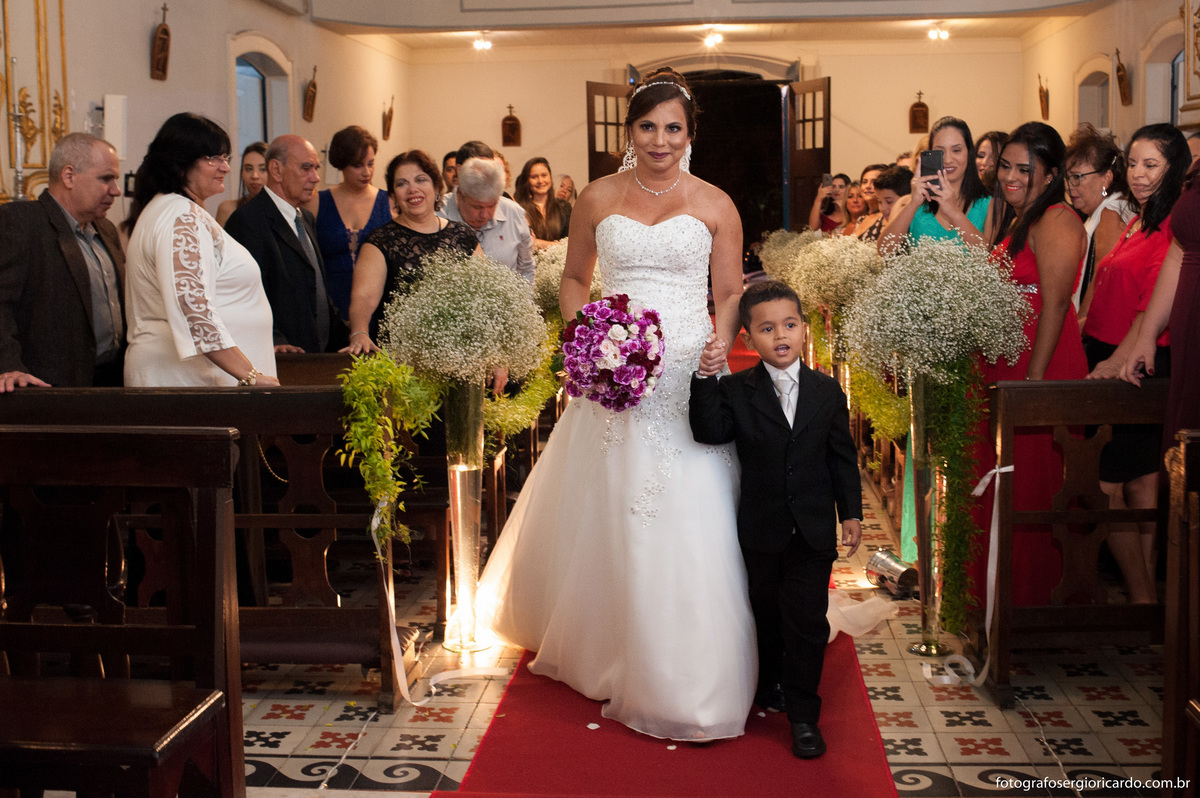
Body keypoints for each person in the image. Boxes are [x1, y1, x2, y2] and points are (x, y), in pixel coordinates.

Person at [475, 67, 757, 742]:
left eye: (673, 129)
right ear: (628, 132)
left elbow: (727, 291)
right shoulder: (598, 198)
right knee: (610, 497)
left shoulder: (716, 202)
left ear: (690, 135)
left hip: (687, 366)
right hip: (614, 368)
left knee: (690, 501)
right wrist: (588, 337)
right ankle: (601, 646)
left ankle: (689, 659)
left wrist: (719, 343)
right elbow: (574, 279)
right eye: (648, 127)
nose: (660, 141)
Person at [689, 280, 863, 760]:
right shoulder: (737, 390)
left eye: (789, 325)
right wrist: (704, 379)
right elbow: (708, 433)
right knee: (765, 614)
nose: (780, 336)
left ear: (804, 330)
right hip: (760, 530)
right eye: (767, 329)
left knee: (806, 621)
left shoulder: (828, 391)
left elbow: (841, 457)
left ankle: (805, 717)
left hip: (811, 531)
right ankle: (769, 684)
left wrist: (850, 512)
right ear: (749, 339)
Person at [968, 121, 1088, 608]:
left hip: (1041, 363)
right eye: (1006, 166)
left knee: (1034, 487)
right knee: (1005, 484)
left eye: (1024, 168)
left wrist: (1034, 387)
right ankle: (998, 604)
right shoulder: (1021, 219)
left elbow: (1056, 305)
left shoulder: (1058, 220)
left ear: (1052, 174)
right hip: (1007, 364)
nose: (1010, 177)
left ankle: (1032, 606)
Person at [1081, 124, 1189, 604]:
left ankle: (1143, 596)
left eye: (1152, 165)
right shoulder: (1137, 217)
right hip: (1110, 349)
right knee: (1140, 485)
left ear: (1176, 169)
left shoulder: (1170, 226)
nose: (1139, 175)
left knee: (1108, 483)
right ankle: (1145, 602)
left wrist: (1112, 362)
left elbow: (1148, 309)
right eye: (1134, 163)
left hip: (1138, 359)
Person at [122, 113, 277, 387]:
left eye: (226, 158)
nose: (225, 168)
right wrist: (249, 375)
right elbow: (192, 306)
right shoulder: (180, 215)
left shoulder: (171, 209)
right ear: (181, 162)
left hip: (188, 378)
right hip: (186, 381)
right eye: (213, 158)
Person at [0, 133, 125, 391]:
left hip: (111, 383)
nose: (116, 190)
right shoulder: (20, 223)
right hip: (50, 388)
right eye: (106, 178)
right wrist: (8, 364)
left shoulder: (106, 230)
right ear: (69, 176)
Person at [342, 150, 478, 354]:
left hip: (461, 355)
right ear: (394, 195)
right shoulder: (381, 241)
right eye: (402, 183)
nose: (412, 189)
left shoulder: (463, 235)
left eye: (421, 180)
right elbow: (363, 298)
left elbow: (484, 294)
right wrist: (359, 332)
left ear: (436, 186)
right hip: (402, 361)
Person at [226, 134, 342, 353]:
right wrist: (274, 340)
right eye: (306, 168)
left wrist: (353, 334)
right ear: (277, 170)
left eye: (316, 168)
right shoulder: (248, 221)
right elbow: (243, 295)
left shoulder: (305, 218)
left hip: (317, 355)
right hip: (281, 360)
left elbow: (315, 289)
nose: (316, 177)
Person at [308, 125, 392, 323]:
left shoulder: (389, 202)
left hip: (379, 305)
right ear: (341, 164)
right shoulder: (316, 203)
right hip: (329, 307)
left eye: (371, 163)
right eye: (358, 165)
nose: (367, 172)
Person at [879, 116, 991, 253]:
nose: (948, 159)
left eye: (956, 150)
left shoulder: (988, 204)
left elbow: (990, 259)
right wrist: (914, 203)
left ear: (969, 152)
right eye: (940, 152)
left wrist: (954, 212)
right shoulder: (909, 202)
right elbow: (884, 251)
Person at [438, 143, 535, 286]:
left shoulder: (513, 213)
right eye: (477, 207)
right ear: (461, 194)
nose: (485, 215)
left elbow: (526, 268)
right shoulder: (437, 213)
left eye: (492, 206)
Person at [1066, 124, 1134, 314]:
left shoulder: (1112, 213)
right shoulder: (1101, 212)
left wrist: (1079, 329)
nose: (1070, 187)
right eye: (1068, 178)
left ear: (1107, 178)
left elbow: (1101, 280)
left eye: (1078, 177)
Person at [514, 156, 572, 249]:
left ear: (550, 177)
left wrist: (537, 243)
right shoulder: (519, 208)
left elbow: (569, 243)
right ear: (527, 180)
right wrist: (557, 245)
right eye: (534, 177)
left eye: (544, 175)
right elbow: (522, 242)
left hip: (559, 261)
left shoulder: (563, 207)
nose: (540, 181)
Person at [215, 141, 267, 227]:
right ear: (242, 173)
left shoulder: (283, 210)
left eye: (262, 169)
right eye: (248, 169)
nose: (254, 176)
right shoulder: (228, 209)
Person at [853, 164, 891, 242]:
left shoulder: (886, 217)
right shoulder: (861, 219)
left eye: (874, 182)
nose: (868, 186)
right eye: (864, 182)